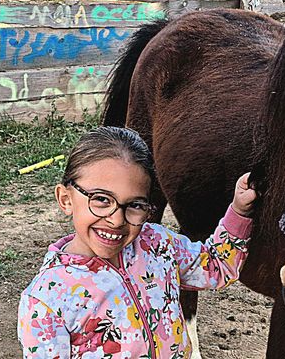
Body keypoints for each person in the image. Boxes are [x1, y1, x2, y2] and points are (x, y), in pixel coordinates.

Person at [18, 126, 256, 358]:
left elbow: (217, 266)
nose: (116, 220)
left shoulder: (158, 245)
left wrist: (239, 211)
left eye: (134, 205)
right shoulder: (46, 301)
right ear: (66, 199)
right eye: (101, 199)